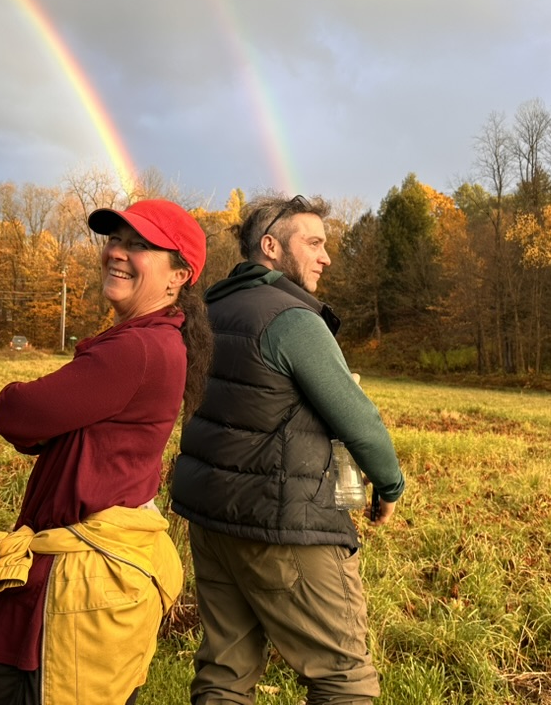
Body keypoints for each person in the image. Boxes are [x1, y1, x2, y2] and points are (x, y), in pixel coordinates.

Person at [0, 198, 212, 705]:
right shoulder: (153, 340)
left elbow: (16, 413)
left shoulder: (135, 349)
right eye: (115, 239)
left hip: (79, 585)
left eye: (139, 245)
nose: (117, 252)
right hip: (89, 575)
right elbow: (50, 423)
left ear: (178, 276)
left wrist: (35, 418)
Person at [170, 193, 406, 705]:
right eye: (314, 243)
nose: (326, 257)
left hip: (211, 520)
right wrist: (389, 485)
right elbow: (360, 421)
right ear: (271, 247)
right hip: (283, 523)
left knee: (225, 672)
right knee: (344, 678)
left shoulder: (209, 310)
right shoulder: (294, 319)